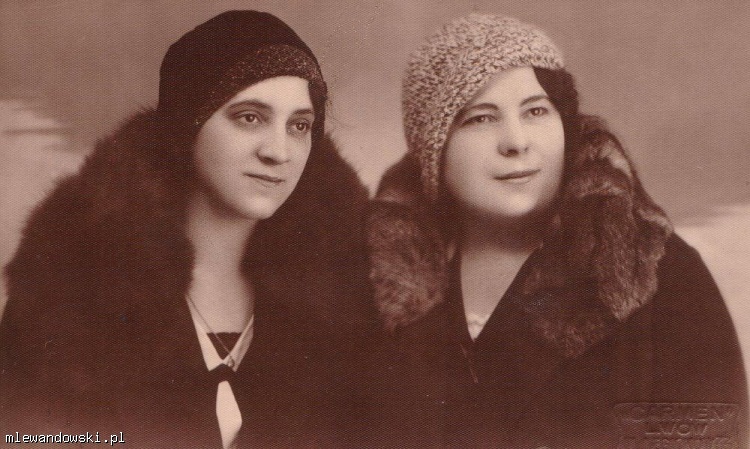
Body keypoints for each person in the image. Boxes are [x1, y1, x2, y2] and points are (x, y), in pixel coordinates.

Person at [366, 13, 747, 448]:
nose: (516, 142)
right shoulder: (374, 282)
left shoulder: (661, 273)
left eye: (536, 111)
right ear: (432, 151)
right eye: (480, 118)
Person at [0, 11, 373, 448]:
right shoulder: (69, 290)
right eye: (249, 117)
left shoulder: (348, 292)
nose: (279, 151)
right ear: (186, 125)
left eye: (300, 126)